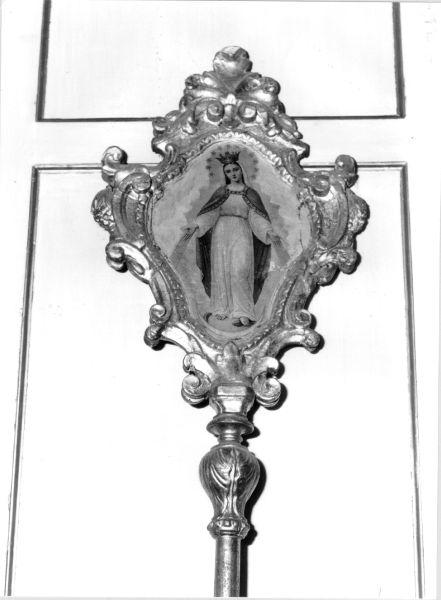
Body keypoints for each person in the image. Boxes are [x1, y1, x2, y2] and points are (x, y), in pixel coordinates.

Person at [182, 151, 282, 328]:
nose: (233, 173)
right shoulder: (222, 192)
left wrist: (268, 231)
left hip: (242, 231)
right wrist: (196, 225)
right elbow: (210, 213)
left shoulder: (250, 193)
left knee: (240, 270)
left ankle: (243, 312)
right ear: (225, 174)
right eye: (228, 171)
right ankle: (221, 308)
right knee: (221, 270)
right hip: (221, 233)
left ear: (241, 169)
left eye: (235, 169)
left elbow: (256, 217)